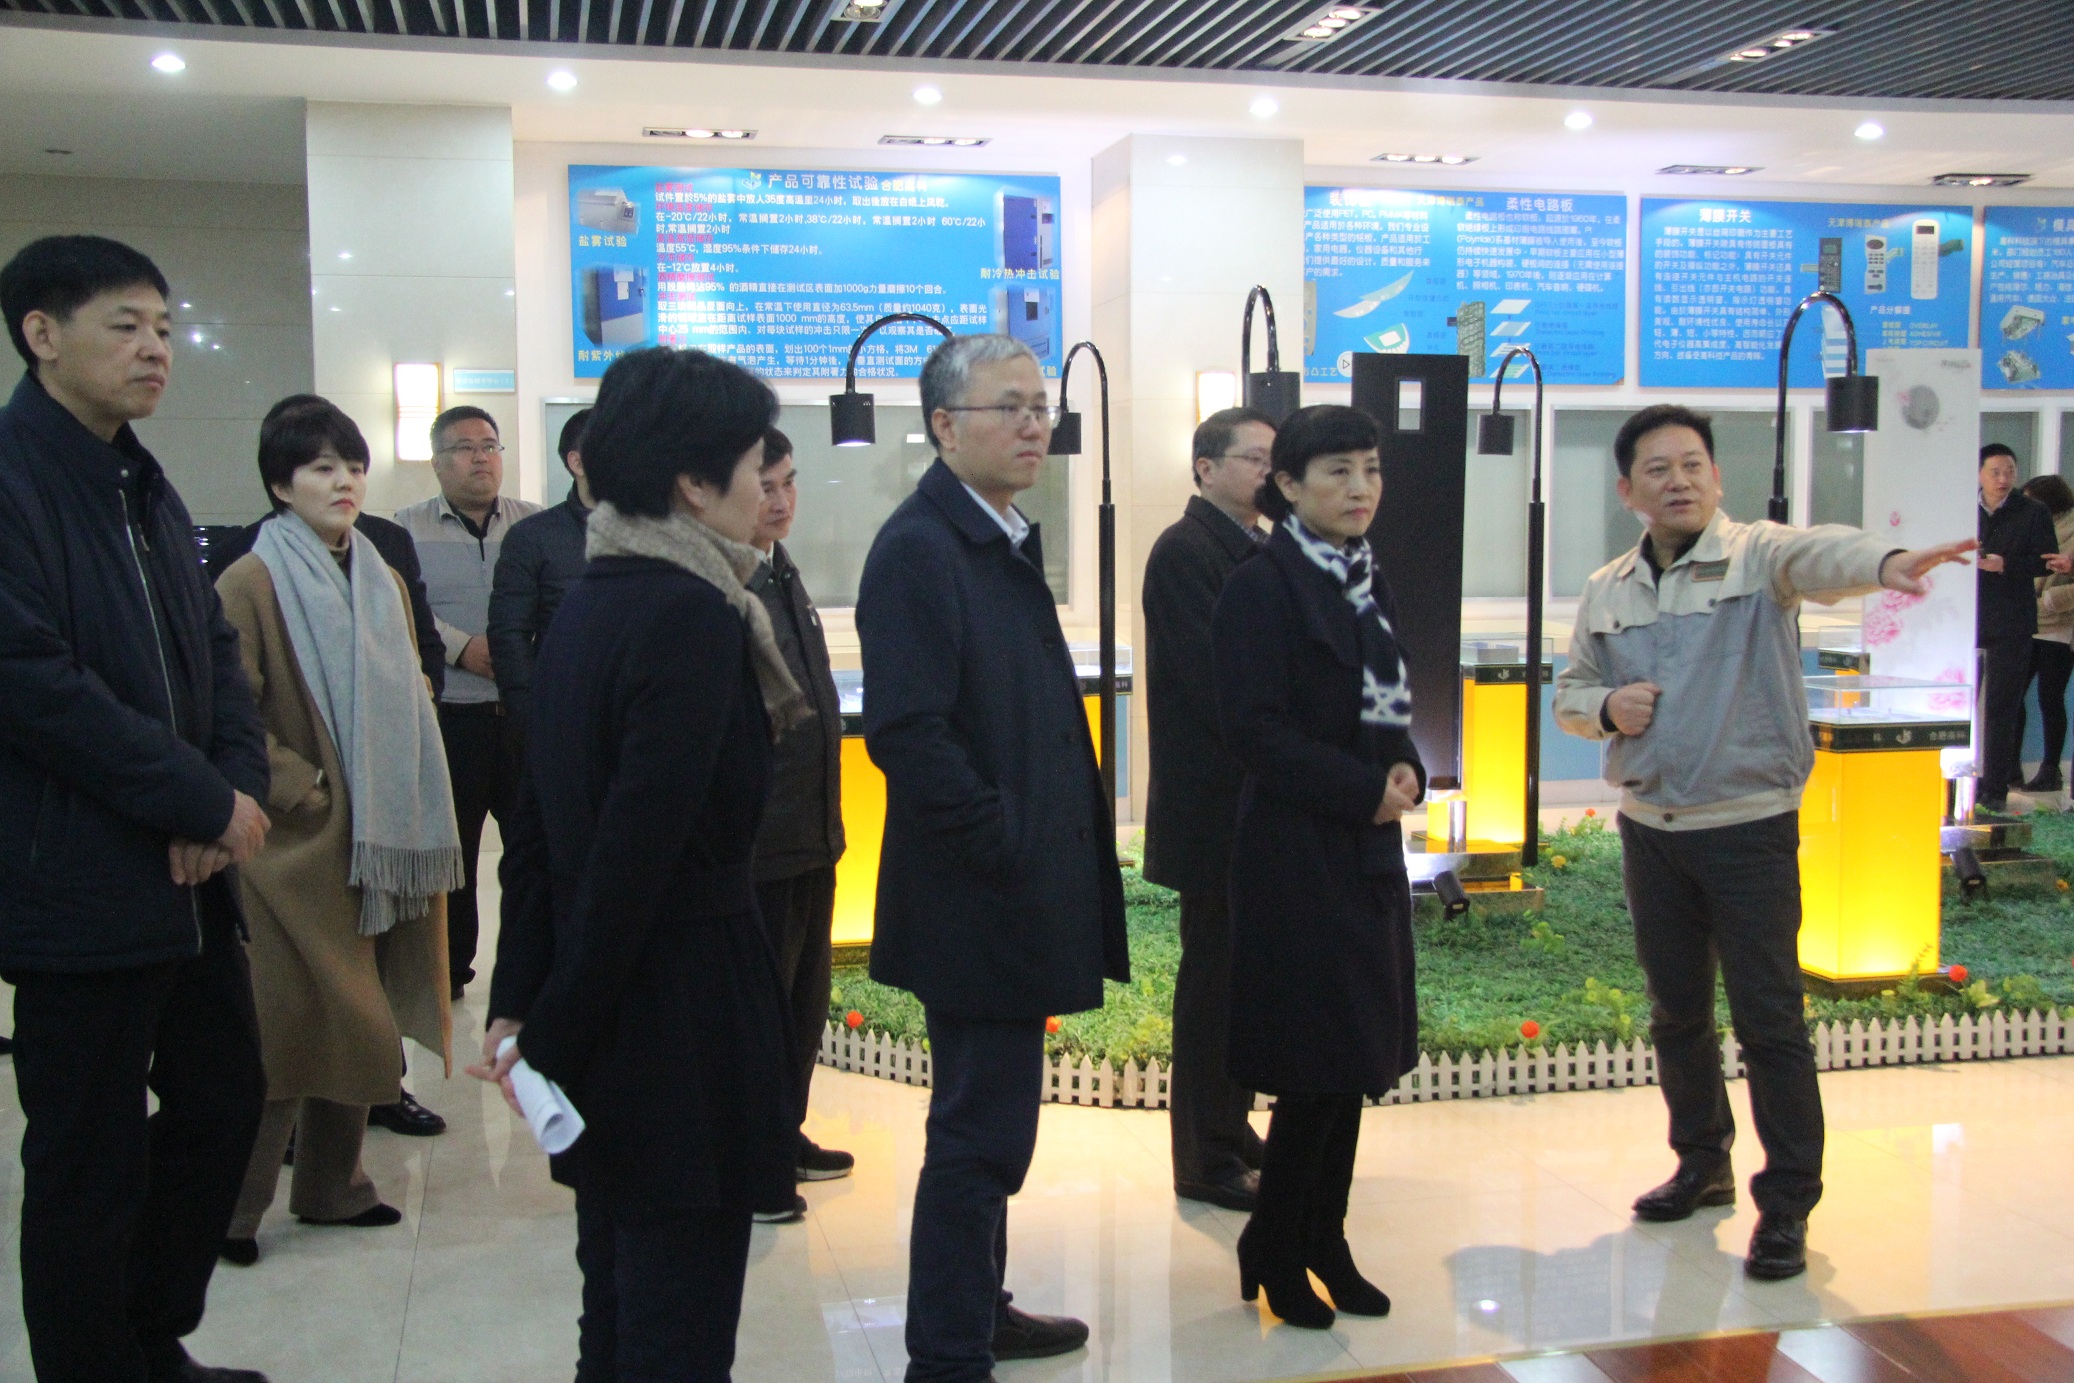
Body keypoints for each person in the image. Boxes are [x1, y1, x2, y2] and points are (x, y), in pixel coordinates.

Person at [1554, 404, 1977, 1282]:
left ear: (1717, 478)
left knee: (1769, 1020)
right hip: (1652, 831)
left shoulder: (1757, 556)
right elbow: (1571, 692)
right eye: (1659, 469)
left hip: (1747, 829)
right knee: (1676, 1013)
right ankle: (1701, 1161)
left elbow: (1823, 553)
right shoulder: (1609, 587)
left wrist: (1889, 563)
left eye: (1693, 464)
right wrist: (1605, 708)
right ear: (1629, 490)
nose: (1679, 480)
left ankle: (1786, 1202)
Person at [473, 346, 801, 1382]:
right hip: (678, 1016)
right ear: (693, 484)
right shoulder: (692, 615)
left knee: (615, 1303)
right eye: (751, 465)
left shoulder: (593, 595)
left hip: (612, 1010)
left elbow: (537, 834)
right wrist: (549, 1033)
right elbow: (636, 856)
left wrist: (524, 1002)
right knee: (676, 1323)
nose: (764, 488)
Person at [0, 234, 272, 1383]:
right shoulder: (14, 479)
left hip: (190, 877)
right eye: (126, 326)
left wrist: (234, 789)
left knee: (223, 1102)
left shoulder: (143, 484)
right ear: (42, 334)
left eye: (163, 327)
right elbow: (31, 681)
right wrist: (198, 796)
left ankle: (150, 1339)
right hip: (76, 882)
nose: (157, 348)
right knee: (87, 1156)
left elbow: (216, 658)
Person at [856, 333, 1129, 1383]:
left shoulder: (994, 532)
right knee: (976, 1135)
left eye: (1039, 406)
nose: (1032, 424)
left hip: (1011, 888)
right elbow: (908, 733)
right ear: (942, 426)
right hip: (976, 898)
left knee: (996, 1125)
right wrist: (1003, 838)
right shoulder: (921, 547)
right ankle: (946, 1352)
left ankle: (981, 1307)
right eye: (1006, 407)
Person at [213, 398, 462, 1266]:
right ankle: (231, 1212)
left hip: (377, 838)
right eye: (321, 467)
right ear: (281, 484)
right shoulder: (251, 579)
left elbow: (409, 678)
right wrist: (304, 786)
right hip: (290, 851)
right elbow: (226, 713)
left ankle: (333, 1186)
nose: (344, 481)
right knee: (283, 1033)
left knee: (358, 1024)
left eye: (352, 465)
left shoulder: (377, 572)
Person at [1210, 403, 1422, 1331]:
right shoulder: (1261, 588)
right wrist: (1362, 788)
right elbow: (1253, 731)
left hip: (1365, 849)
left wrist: (1404, 765)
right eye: (1338, 471)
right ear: (1288, 485)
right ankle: (1277, 1243)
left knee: (1354, 1062)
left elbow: (1387, 704)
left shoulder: (1366, 578)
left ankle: (1321, 1237)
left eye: (1370, 469)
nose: (1360, 488)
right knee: (1313, 1067)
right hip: (1296, 855)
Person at [1141, 405, 1275, 1213]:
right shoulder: (1186, 551)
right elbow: (1214, 679)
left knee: (1244, 984)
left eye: (1273, 459)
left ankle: (1230, 1127)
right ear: (1205, 468)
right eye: (1253, 457)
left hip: (1255, 808)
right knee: (1213, 986)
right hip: (1214, 808)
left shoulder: (1260, 548)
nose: (1267, 471)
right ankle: (1202, 1156)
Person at [394, 406, 539, 1003]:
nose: (481, 458)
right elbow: (402, 607)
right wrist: (461, 648)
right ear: (436, 462)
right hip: (452, 718)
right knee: (453, 857)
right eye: (464, 447)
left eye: (490, 445)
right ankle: (449, 972)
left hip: (526, 718)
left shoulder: (534, 525)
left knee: (536, 852)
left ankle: (537, 970)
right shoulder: (403, 530)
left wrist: (517, 649)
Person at [746, 426, 853, 1224]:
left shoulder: (784, 574)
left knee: (804, 1000)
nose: (780, 500)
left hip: (814, 829)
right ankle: (752, 1161)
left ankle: (784, 1131)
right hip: (761, 841)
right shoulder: (726, 585)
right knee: (759, 1009)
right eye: (765, 485)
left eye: (789, 482)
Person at [1975, 443, 2070, 813]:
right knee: (1961, 703)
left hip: (2013, 620)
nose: (2003, 479)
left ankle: (1995, 787)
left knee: (2004, 706)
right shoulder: (1964, 509)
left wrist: (2006, 564)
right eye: (1995, 472)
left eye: (2010, 471)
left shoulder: (2032, 511)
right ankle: (1957, 783)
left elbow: (2044, 562)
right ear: (1980, 474)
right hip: (1968, 616)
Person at [488, 407, 592, 733]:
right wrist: (531, 717)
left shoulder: (660, 533)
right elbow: (509, 635)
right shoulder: (533, 536)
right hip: (564, 715)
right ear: (577, 463)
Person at [2021, 474, 2074, 794]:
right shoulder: (2034, 526)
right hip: (2026, 621)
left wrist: (2053, 600)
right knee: (2013, 695)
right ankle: (2008, 767)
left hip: (2059, 625)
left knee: (2050, 697)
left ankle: (2050, 769)